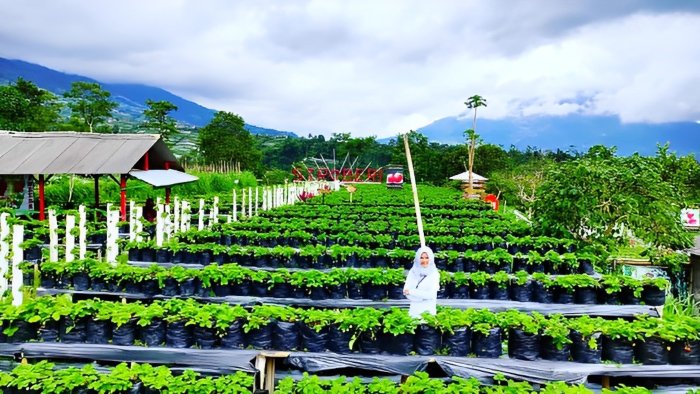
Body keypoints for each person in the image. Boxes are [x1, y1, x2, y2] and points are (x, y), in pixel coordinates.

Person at [403, 246, 440, 318]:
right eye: (421, 258)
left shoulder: (434, 274)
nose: (424, 260)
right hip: (414, 312)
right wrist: (422, 296)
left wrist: (412, 292)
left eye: (427, 257)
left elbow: (431, 295)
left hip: (429, 313)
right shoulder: (413, 272)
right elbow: (406, 292)